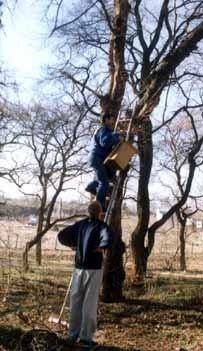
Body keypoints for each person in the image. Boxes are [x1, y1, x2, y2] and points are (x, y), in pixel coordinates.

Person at [57, 201, 113, 347]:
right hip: (93, 269)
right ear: (100, 212)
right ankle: (86, 338)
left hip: (78, 269)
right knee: (89, 303)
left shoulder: (80, 224)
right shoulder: (102, 225)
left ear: (88, 211)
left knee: (75, 301)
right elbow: (108, 237)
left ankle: (72, 335)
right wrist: (103, 247)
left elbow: (62, 235)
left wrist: (73, 245)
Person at [85, 112, 122, 211]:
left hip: (97, 157)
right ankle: (99, 206)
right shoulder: (103, 129)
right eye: (111, 119)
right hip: (97, 157)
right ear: (106, 119)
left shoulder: (103, 130)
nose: (113, 121)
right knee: (104, 182)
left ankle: (92, 186)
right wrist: (116, 136)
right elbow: (104, 142)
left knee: (103, 178)